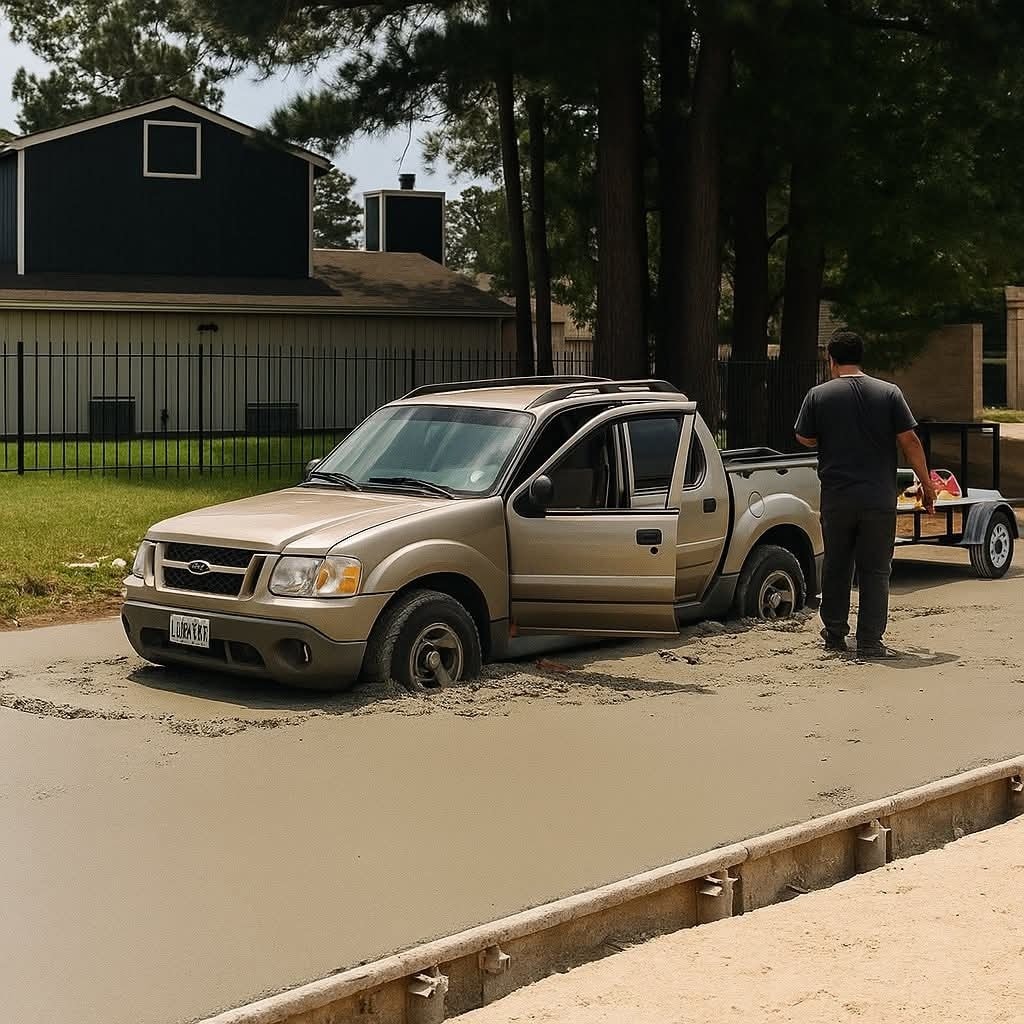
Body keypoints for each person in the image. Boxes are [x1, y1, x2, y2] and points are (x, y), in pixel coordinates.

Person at [794, 331, 935, 658]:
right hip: (878, 498)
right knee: (875, 569)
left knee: (837, 566)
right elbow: (910, 441)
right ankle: (870, 641)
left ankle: (834, 635)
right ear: (861, 356)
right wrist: (927, 485)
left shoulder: (819, 395)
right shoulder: (889, 393)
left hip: (837, 498)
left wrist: (828, 437)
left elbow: (804, 437)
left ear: (831, 358)